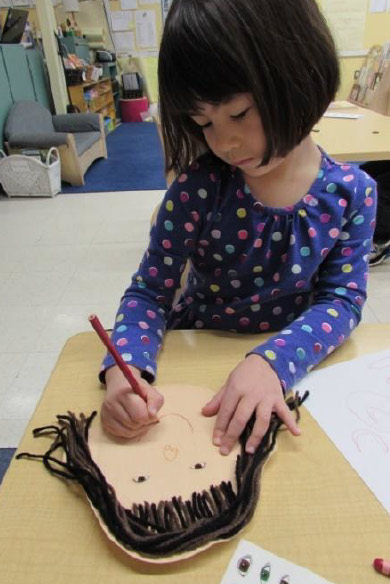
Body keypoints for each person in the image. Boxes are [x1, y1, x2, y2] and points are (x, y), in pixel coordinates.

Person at [100, 0, 376, 457]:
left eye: (241, 113)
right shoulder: (197, 190)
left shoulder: (352, 194)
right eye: (203, 122)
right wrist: (124, 370)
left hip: (293, 368)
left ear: (299, 76)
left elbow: (342, 301)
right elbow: (150, 294)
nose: (224, 142)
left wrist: (274, 363)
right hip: (198, 362)